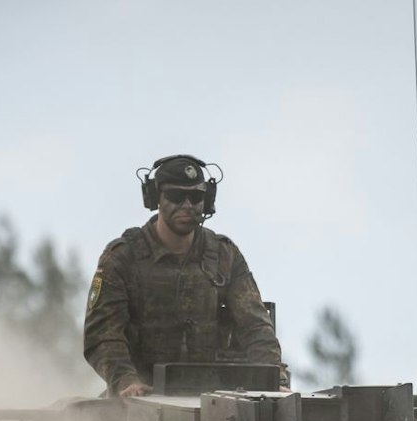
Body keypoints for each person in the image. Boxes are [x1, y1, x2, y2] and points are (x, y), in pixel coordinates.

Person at [82, 154, 284, 398]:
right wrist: (126, 381)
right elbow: (103, 335)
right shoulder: (123, 257)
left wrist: (273, 381)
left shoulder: (224, 256)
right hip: (139, 396)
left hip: (211, 397)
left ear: (207, 200)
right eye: (176, 196)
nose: (187, 205)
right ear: (156, 198)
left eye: (196, 197)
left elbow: (255, 327)